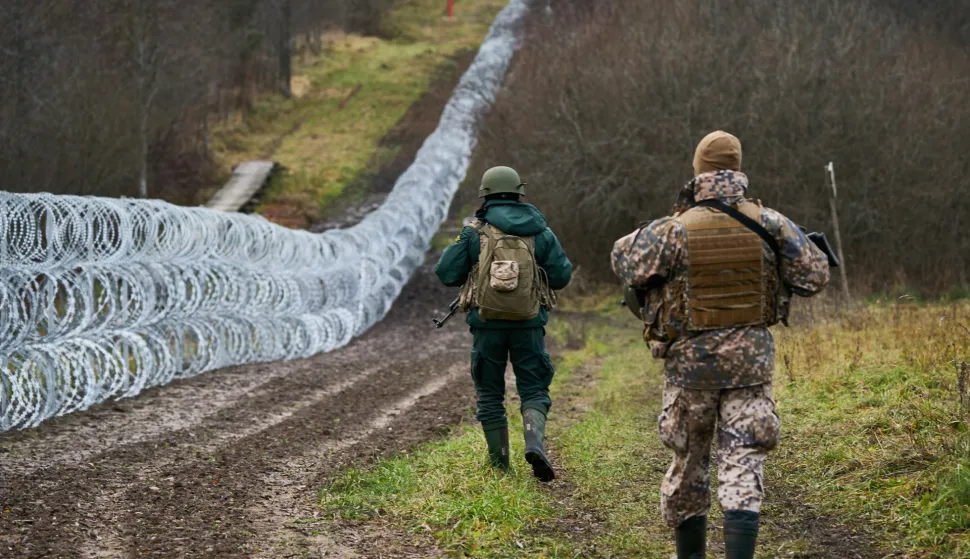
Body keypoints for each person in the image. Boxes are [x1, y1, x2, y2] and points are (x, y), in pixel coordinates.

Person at [610, 131, 830, 559]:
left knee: (690, 464)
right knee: (743, 462)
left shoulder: (674, 230)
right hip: (751, 366)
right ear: (738, 170)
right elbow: (815, 277)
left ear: (699, 171)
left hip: (691, 367)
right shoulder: (771, 223)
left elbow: (625, 261)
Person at [434, 166, 572, 481]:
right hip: (529, 325)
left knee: (490, 393)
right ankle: (534, 440)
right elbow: (562, 276)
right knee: (534, 387)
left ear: (485, 194)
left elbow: (445, 273)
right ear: (519, 192)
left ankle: (500, 468)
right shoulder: (540, 231)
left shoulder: (474, 231)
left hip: (486, 326)